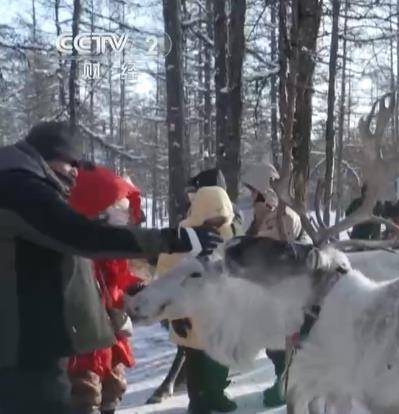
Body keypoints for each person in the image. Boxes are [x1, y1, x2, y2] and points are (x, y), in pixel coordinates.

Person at [0, 122, 220, 413]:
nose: (75, 172)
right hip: (23, 350)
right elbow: (83, 237)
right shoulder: (20, 188)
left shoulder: (22, 183)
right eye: (70, 162)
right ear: (46, 155)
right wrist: (174, 239)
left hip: (35, 343)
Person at [156, 168, 241, 414]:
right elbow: (165, 276)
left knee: (220, 364)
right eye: (210, 220)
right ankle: (198, 402)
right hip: (191, 318)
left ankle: (216, 395)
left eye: (220, 220)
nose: (216, 225)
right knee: (196, 367)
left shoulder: (233, 234)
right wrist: (174, 314)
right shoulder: (183, 237)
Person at [66, 166, 146, 414]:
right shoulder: (75, 255)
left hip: (111, 332)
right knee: (85, 389)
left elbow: (118, 278)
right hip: (84, 337)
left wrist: (133, 287)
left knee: (112, 385)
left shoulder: (110, 254)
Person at [238, 162, 303, 408]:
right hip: (266, 292)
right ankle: (282, 380)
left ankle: (286, 385)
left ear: (263, 191)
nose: (250, 196)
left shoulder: (284, 217)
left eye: (253, 191)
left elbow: (265, 251)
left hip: (284, 292)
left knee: (283, 344)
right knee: (273, 344)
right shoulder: (263, 216)